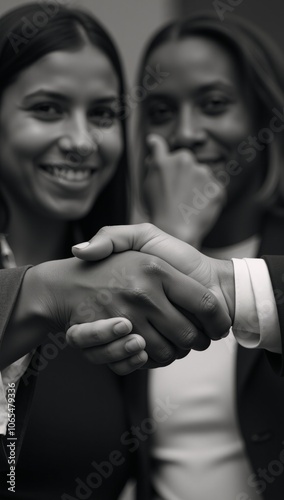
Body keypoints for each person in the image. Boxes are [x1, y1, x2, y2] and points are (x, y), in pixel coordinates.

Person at [0, 5, 231, 499]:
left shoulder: (116, 289)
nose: (83, 142)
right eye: (47, 108)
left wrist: (170, 241)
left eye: (102, 114)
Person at [70, 13, 284, 500]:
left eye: (213, 104)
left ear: (260, 115)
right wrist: (172, 234)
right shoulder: (107, 262)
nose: (186, 132)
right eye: (162, 111)